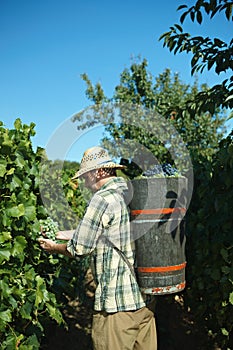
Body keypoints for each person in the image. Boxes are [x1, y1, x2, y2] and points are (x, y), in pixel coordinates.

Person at [38, 146, 157, 350]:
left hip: (117, 306)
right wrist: (59, 233)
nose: (84, 182)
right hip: (145, 301)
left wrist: (53, 247)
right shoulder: (132, 192)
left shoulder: (102, 199)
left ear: (98, 172)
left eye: (85, 176)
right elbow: (103, 231)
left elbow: (80, 248)